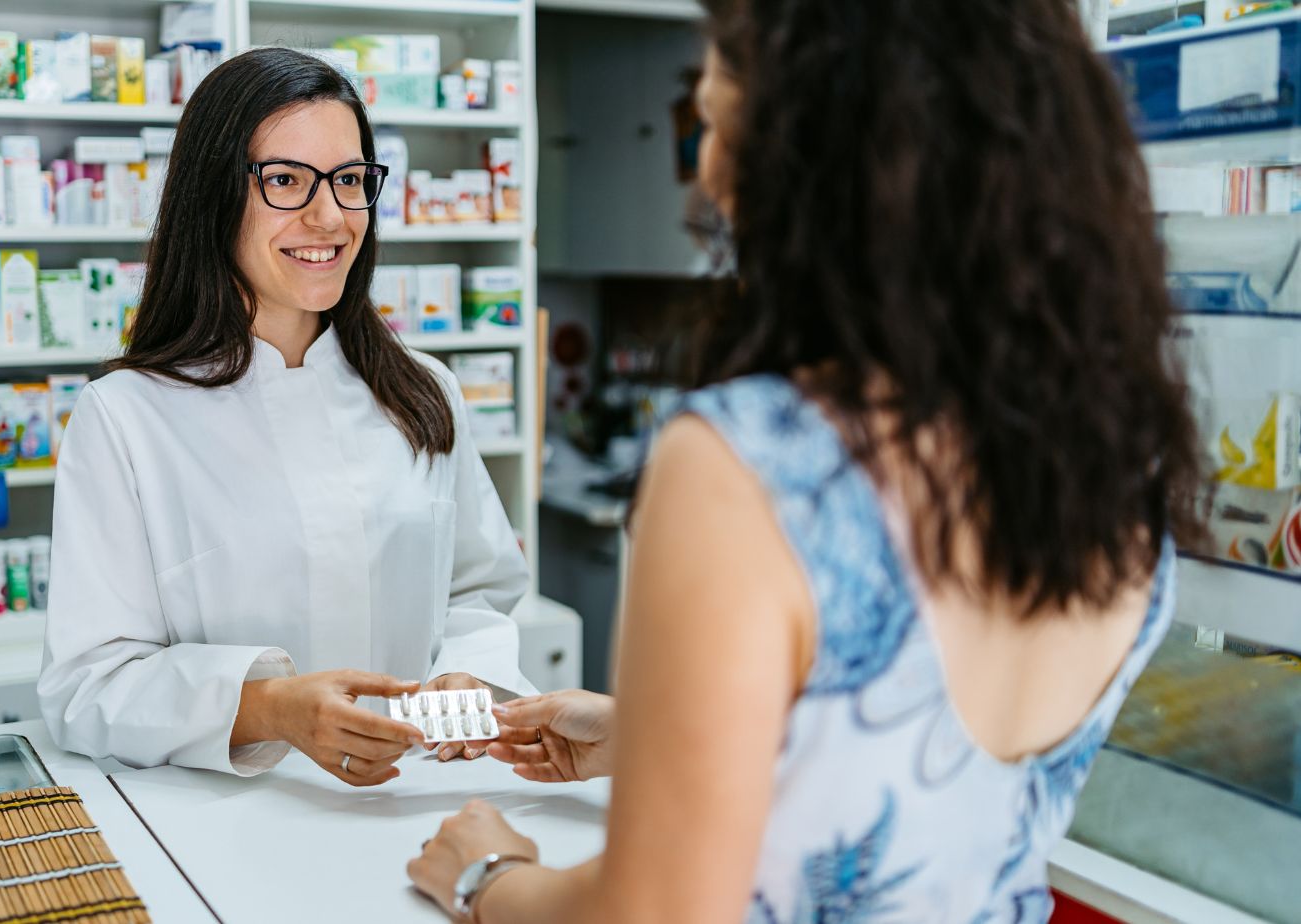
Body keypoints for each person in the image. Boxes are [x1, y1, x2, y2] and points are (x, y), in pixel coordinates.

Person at [409, 0, 1202, 919]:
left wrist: (489, 873)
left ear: (814, 161)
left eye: (715, 126)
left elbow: (655, 914)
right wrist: (647, 736)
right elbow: (923, 759)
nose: (704, 176)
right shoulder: (1111, 458)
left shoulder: (750, 464)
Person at [39, 47, 532, 786]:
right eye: (285, 180)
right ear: (212, 196)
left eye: (349, 179)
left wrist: (466, 675)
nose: (328, 216)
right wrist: (270, 709)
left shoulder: (422, 392)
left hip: (421, 795)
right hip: (225, 818)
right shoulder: (126, 418)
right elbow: (88, 684)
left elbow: (479, 589)